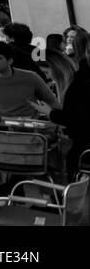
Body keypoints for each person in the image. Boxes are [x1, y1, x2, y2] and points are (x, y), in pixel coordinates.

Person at [0, 41, 58, 118]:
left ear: (10, 61)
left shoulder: (31, 77)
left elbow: (51, 100)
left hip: (30, 124)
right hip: (1, 124)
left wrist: (55, 119)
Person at [52, 29, 90, 176]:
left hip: (80, 139)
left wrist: (51, 113)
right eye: (67, 37)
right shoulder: (75, 73)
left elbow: (73, 116)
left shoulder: (80, 76)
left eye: (73, 38)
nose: (69, 40)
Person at [43, 33, 77, 103]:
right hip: (61, 88)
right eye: (64, 42)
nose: (66, 44)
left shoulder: (44, 55)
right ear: (58, 43)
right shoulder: (61, 58)